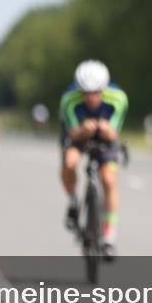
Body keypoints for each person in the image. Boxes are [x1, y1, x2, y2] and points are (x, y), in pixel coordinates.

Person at [59, 60, 128, 260]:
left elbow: (114, 134)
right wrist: (82, 130)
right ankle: (73, 201)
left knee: (108, 179)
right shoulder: (69, 100)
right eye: (85, 93)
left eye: (96, 92)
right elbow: (72, 133)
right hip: (78, 134)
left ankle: (109, 235)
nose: (91, 97)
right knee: (70, 161)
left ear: (104, 88)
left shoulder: (118, 98)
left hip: (105, 137)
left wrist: (105, 130)